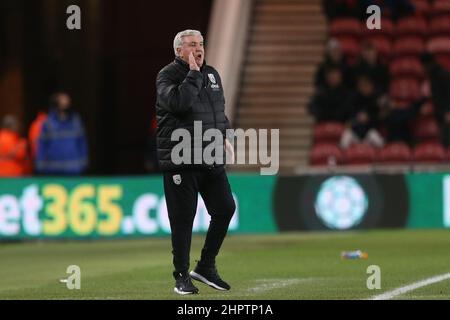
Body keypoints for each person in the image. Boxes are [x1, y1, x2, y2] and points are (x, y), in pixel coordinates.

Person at [155, 29, 236, 295]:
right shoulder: (167, 75)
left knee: (225, 208)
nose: (199, 49)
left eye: (201, 44)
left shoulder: (212, 74)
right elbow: (179, 103)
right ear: (179, 51)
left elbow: (217, 110)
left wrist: (223, 135)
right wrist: (193, 74)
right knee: (183, 220)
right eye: (191, 45)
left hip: (209, 156)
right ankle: (181, 276)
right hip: (181, 160)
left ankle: (206, 266)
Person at [36, 92, 88, 175]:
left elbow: (82, 143)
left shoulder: (76, 121)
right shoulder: (48, 123)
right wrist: (40, 164)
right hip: (52, 169)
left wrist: (83, 162)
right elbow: (42, 145)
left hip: (73, 168)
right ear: (56, 103)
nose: (66, 103)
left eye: (67, 100)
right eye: (63, 100)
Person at [340, 75, 385, 148]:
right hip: (355, 132)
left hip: (369, 132)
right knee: (346, 136)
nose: (364, 88)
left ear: (371, 86)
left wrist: (369, 118)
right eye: (361, 86)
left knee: (376, 138)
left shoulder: (376, 100)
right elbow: (348, 118)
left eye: (366, 85)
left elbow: (379, 120)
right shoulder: (353, 99)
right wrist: (353, 120)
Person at [420, 53, 450, 147]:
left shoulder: (442, 74)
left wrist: (448, 111)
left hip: (446, 113)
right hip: (441, 112)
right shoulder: (433, 75)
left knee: (446, 141)